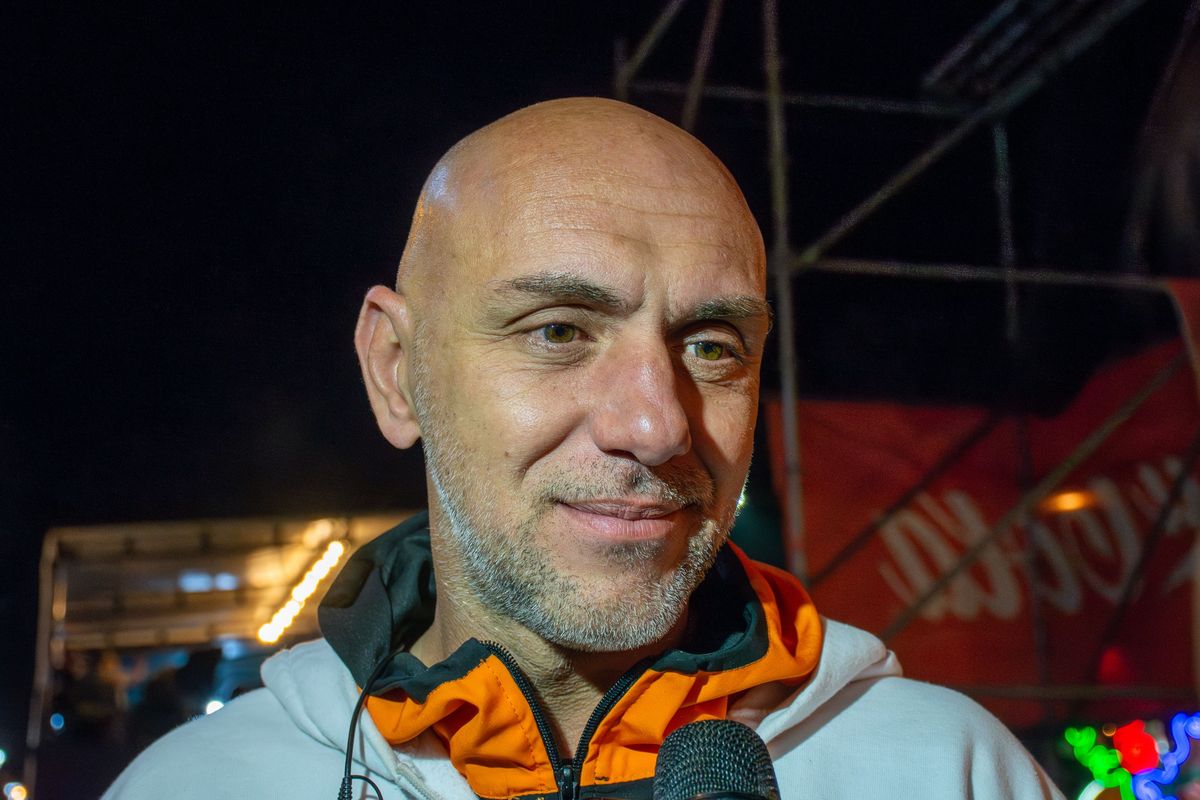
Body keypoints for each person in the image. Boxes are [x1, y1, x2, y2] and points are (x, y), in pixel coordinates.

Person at [104, 98, 1065, 799]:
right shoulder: (198, 788)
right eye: (559, 331)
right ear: (398, 373)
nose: (657, 425)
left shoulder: (949, 771)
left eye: (711, 346)